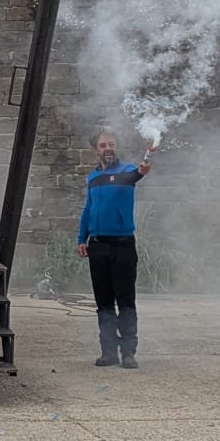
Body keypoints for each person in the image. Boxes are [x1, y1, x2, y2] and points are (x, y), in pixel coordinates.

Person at [77, 129, 151, 368]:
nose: (108, 148)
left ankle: (128, 352)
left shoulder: (127, 171)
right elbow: (88, 209)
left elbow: (137, 174)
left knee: (126, 300)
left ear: (117, 147)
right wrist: (82, 238)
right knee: (104, 302)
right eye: (103, 145)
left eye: (111, 144)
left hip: (122, 246)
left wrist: (142, 170)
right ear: (95, 149)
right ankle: (108, 351)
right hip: (98, 246)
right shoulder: (92, 177)